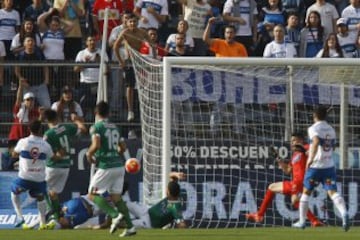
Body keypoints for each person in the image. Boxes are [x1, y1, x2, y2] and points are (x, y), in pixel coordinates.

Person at [46, 172, 187, 230]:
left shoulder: (175, 206)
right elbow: (172, 181)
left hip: (148, 222)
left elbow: (181, 223)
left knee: (124, 221)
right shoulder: (116, 200)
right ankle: (54, 212)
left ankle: (53, 210)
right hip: (146, 211)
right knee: (125, 207)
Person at [246, 132, 324, 227]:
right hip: (295, 182)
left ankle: (259, 215)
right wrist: (278, 158)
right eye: (291, 141)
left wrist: (304, 150)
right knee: (275, 189)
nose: (292, 143)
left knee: (294, 200)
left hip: (302, 180)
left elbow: (312, 153)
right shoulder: (295, 154)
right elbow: (288, 170)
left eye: (294, 140)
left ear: (301, 140)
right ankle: (314, 221)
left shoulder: (307, 147)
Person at [292, 106, 350, 231]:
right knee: (332, 192)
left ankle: (302, 222)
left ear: (314, 116)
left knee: (306, 192)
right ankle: (344, 213)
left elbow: (316, 141)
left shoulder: (313, 128)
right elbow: (331, 147)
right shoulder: (331, 129)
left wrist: (310, 158)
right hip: (328, 167)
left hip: (315, 168)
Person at [86, 101, 136, 237]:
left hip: (106, 166)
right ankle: (130, 227)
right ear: (108, 113)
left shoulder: (96, 127)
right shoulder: (115, 127)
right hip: (119, 166)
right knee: (116, 198)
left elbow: (96, 145)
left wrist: (88, 153)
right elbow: (123, 148)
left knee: (92, 194)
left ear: (96, 113)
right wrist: (114, 154)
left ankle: (114, 215)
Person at [10, 120, 57, 230]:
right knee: (40, 197)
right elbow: (52, 157)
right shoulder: (46, 145)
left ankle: (20, 217)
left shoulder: (23, 142)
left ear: (29, 129)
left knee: (14, 190)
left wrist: (15, 153)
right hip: (39, 180)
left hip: (25, 178)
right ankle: (42, 223)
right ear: (40, 129)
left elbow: (14, 154)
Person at [43, 109, 87, 219]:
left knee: (41, 189)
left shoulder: (48, 134)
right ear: (57, 118)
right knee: (54, 193)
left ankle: (49, 212)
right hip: (65, 166)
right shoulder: (66, 127)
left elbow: (43, 151)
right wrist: (76, 120)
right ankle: (58, 218)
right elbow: (83, 129)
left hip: (53, 166)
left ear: (46, 121)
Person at [113, 13, 151, 122]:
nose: (133, 23)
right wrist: (121, 61)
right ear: (127, 23)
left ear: (137, 22)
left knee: (143, 85)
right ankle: (130, 110)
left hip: (140, 61)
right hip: (129, 61)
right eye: (131, 22)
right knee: (129, 85)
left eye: (134, 21)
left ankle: (144, 107)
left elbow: (152, 44)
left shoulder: (142, 32)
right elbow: (115, 46)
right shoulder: (125, 32)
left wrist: (151, 58)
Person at [74, 35, 109, 121]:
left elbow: (108, 70)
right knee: (82, 106)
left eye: (93, 40)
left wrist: (100, 61)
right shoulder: (81, 53)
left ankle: (97, 123)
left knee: (98, 106)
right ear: (86, 42)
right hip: (85, 83)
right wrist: (85, 63)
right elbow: (76, 69)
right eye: (90, 40)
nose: (92, 42)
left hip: (98, 83)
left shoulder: (102, 52)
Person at [14, 34, 51, 108]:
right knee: (26, 107)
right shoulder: (20, 56)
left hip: (40, 85)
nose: (30, 42)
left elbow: (45, 67)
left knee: (47, 106)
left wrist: (46, 79)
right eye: (28, 41)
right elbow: (17, 70)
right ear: (24, 44)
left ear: (34, 43)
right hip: (27, 86)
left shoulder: (39, 54)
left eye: (32, 41)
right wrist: (21, 80)